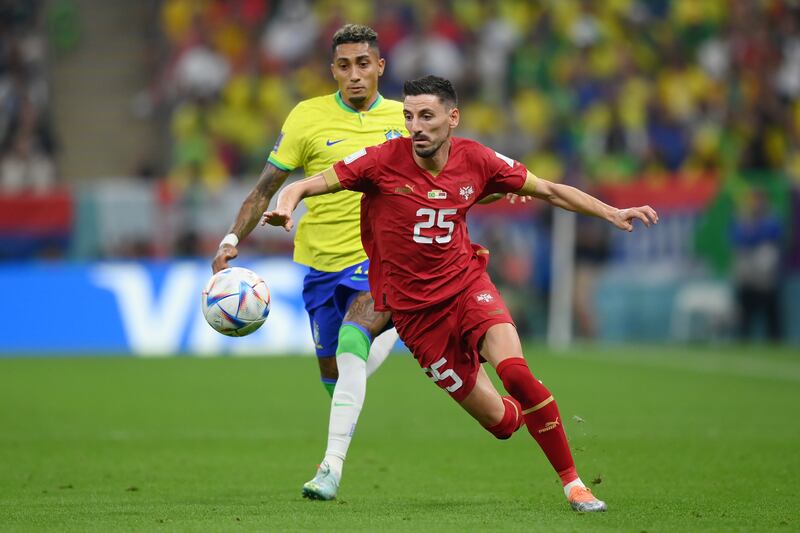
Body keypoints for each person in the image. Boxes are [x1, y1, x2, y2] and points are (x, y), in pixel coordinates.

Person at [262, 75, 659, 512]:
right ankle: (530, 411)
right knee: (504, 422)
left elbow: (546, 189)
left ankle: (575, 485)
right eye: (409, 116)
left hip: (467, 288)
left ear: (453, 118)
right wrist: (287, 201)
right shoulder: (380, 160)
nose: (416, 126)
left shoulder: (477, 158)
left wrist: (611, 211)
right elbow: (306, 182)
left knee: (517, 374)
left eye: (427, 116)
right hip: (416, 320)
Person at [211, 24, 407, 500]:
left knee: (352, 339)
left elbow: (453, 169)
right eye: (344, 66)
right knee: (334, 374)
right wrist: (232, 238)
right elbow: (264, 190)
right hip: (320, 266)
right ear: (333, 70)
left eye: (364, 64)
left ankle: (330, 468)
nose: (355, 75)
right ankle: (400, 329)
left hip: (378, 259)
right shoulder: (307, 117)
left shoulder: (407, 119)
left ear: (380, 66)